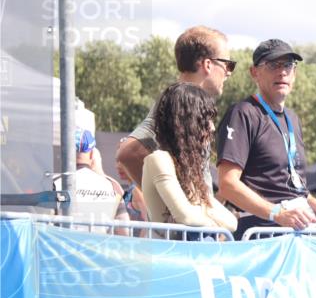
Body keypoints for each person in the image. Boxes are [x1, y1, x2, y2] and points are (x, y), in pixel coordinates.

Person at [217, 39, 316, 239]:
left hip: (300, 231)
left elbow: (291, 187)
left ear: (294, 73)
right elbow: (227, 184)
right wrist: (276, 213)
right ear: (254, 72)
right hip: (264, 235)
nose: (282, 72)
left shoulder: (293, 118)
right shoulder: (243, 113)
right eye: (273, 65)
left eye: (288, 65)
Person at [117, 26, 234, 218]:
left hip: (194, 227)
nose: (229, 72)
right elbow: (128, 152)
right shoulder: (176, 103)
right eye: (228, 65)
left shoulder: (189, 103)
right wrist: (168, 206)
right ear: (207, 64)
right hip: (186, 231)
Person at [141, 83, 237, 238]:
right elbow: (187, 217)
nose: (212, 127)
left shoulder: (188, 169)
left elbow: (232, 222)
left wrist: (203, 214)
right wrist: (211, 219)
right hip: (166, 252)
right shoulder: (159, 159)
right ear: (185, 123)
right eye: (205, 120)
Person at [56, 128, 129, 234]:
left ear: (65, 153)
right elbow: (124, 231)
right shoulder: (113, 186)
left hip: (64, 243)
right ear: (92, 154)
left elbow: (43, 225)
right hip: (100, 243)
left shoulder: (55, 183)